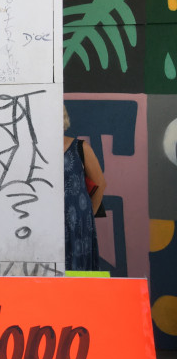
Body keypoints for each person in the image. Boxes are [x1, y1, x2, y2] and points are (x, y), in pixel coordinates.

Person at [63, 106, 105, 271]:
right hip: (44, 223)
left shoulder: (80, 147)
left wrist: (85, 216)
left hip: (77, 225)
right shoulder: (33, 151)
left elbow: (100, 184)